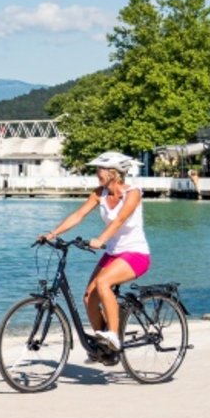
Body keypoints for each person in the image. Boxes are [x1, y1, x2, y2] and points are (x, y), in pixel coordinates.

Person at [37, 151, 150, 361]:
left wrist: (100, 239)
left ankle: (114, 337)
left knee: (103, 283)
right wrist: (52, 234)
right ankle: (103, 348)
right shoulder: (100, 193)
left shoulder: (132, 193)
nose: (97, 173)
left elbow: (120, 220)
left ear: (114, 173)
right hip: (113, 254)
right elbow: (78, 215)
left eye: (100, 169)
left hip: (136, 253)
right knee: (89, 297)